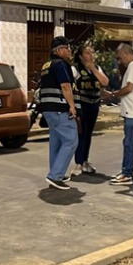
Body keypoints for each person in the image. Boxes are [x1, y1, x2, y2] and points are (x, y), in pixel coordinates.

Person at [37, 36, 80, 190]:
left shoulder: (46, 65)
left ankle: (57, 173)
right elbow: (66, 86)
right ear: (60, 50)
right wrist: (72, 106)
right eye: (67, 48)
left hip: (48, 109)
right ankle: (55, 176)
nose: (70, 51)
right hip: (59, 108)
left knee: (56, 141)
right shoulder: (61, 64)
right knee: (71, 140)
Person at [104, 43, 133, 186]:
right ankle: (126, 171)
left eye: (120, 57)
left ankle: (127, 173)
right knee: (128, 143)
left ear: (127, 53)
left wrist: (113, 94)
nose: (120, 61)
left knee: (129, 143)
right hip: (132, 110)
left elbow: (129, 87)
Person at [71, 45, 109, 175]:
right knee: (80, 133)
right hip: (81, 106)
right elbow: (68, 86)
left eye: (92, 52)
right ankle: (78, 163)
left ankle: (85, 160)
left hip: (94, 104)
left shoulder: (97, 68)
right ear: (81, 56)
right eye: (87, 53)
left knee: (88, 134)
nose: (91, 55)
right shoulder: (75, 69)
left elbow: (105, 82)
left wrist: (93, 68)